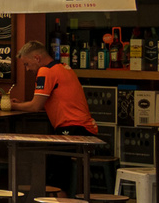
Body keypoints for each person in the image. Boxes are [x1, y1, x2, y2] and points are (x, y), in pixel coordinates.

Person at [9, 40, 98, 192]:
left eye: (27, 64)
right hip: (85, 129)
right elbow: (49, 101)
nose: (27, 69)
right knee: (53, 165)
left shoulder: (45, 71)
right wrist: (23, 103)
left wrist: (12, 106)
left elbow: (35, 106)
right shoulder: (64, 68)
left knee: (54, 177)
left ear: (37, 58)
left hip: (73, 129)